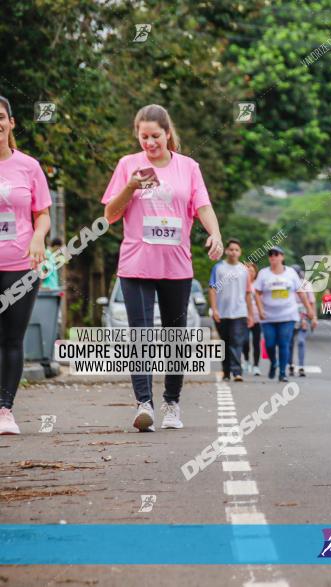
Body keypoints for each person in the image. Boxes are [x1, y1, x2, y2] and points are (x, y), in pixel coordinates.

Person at [102, 104, 223, 432]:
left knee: (175, 338)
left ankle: (172, 401)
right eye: (144, 137)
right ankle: (145, 404)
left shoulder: (188, 167)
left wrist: (215, 234)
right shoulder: (128, 165)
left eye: (156, 136)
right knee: (139, 335)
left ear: (168, 134)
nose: (150, 143)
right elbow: (110, 215)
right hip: (135, 264)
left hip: (176, 267)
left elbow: (203, 206)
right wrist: (130, 187)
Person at [0, 95, 51, 435]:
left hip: (20, 264)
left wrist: (38, 238)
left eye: (0, 117)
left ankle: (5, 410)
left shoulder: (29, 166)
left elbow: (43, 215)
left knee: (11, 339)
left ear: (11, 123)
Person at [252, 246, 316, 382]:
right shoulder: (264, 273)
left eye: (276, 254)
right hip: (268, 316)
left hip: (288, 315)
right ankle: (273, 363)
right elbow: (257, 292)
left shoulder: (291, 273)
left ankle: (282, 372)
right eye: (270, 255)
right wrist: (260, 309)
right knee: (269, 344)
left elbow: (300, 293)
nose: (273, 257)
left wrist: (309, 310)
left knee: (284, 343)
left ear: (282, 257)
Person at [209, 238, 254, 382]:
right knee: (225, 342)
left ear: (240, 252)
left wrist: (250, 314)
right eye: (231, 249)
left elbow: (248, 292)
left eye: (236, 250)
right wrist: (214, 309)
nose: (233, 252)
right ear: (226, 251)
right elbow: (212, 289)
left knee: (236, 341)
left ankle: (237, 372)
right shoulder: (219, 268)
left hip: (239, 312)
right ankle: (226, 371)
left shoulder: (244, 270)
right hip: (222, 313)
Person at [289, 265, 316, 377]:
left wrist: (314, 317)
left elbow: (312, 302)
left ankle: (301, 366)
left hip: (304, 315)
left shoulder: (305, 284)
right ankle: (290, 364)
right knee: (289, 342)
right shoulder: (287, 283)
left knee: (301, 341)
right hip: (289, 315)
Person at [242, 262, 262, 376]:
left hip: (257, 318)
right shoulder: (241, 284)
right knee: (244, 340)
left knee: (256, 342)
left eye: (252, 271)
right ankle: (246, 361)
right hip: (244, 317)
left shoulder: (258, 286)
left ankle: (256, 366)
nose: (250, 273)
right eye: (248, 271)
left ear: (256, 273)